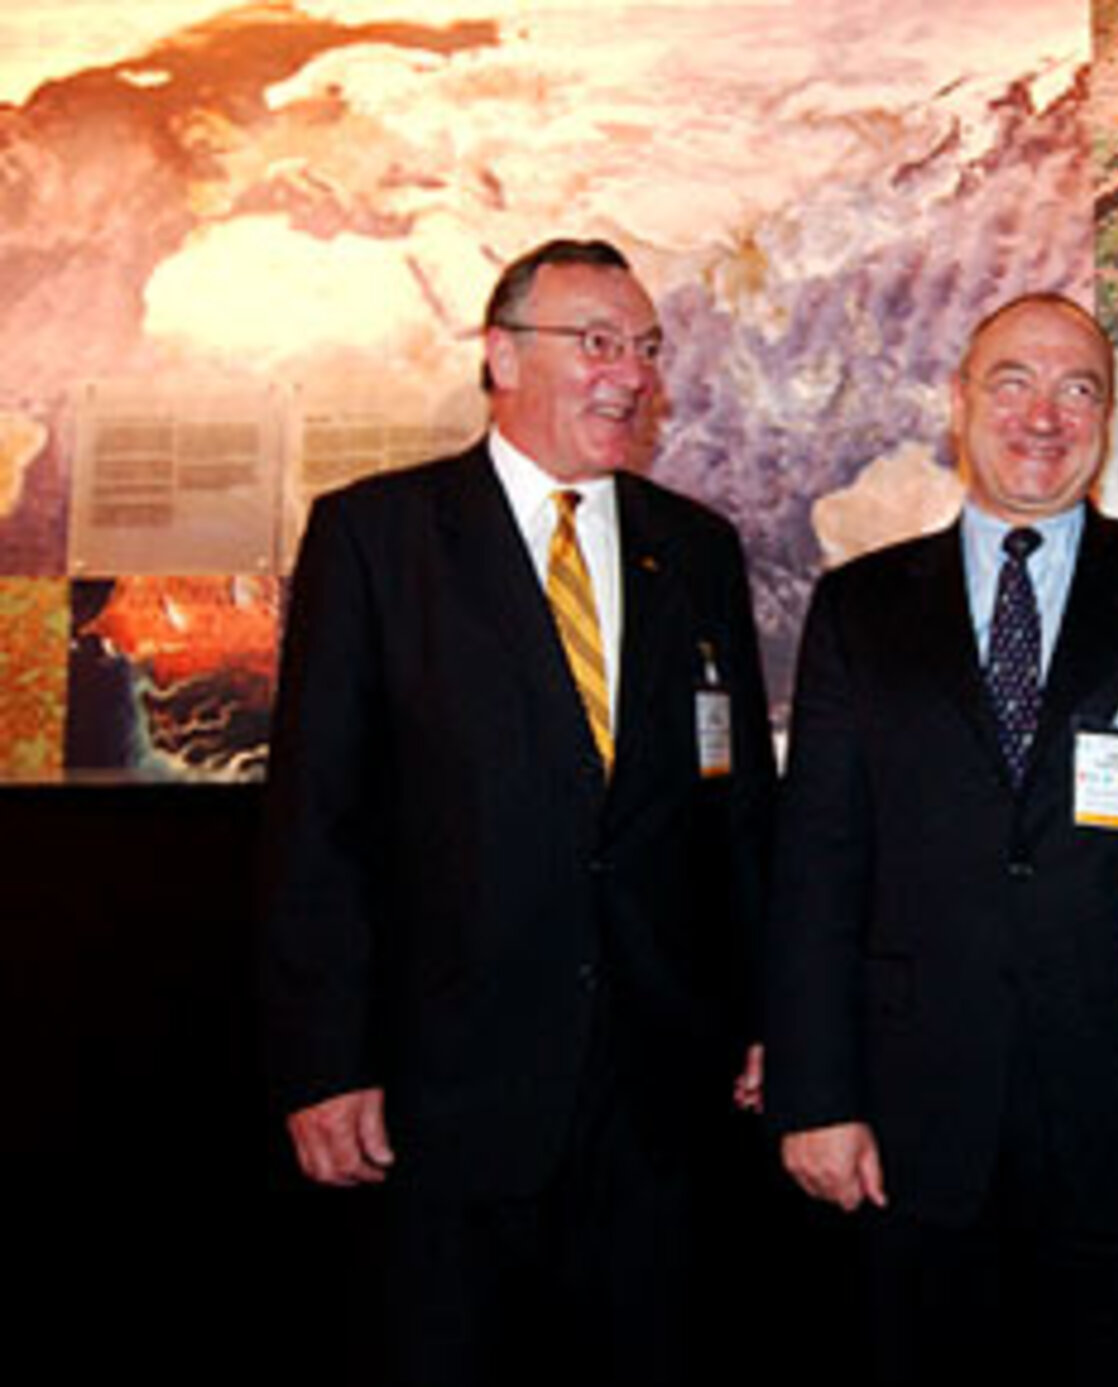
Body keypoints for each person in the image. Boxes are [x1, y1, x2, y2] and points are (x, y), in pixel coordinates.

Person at [260, 238, 775, 1386]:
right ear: (500, 355)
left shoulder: (695, 550)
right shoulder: (378, 539)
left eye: (645, 347)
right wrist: (322, 1060)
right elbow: (318, 822)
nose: (630, 373)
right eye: (596, 342)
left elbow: (735, 811)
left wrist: (763, 1010)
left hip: (660, 1098)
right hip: (446, 1100)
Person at [765, 293, 1118, 1384]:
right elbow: (817, 863)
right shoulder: (860, 606)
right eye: (1012, 381)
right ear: (959, 403)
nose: (1042, 415)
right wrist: (815, 1097)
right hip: (916, 1121)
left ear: (1108, 417)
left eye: (1078, 388)